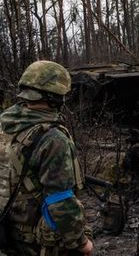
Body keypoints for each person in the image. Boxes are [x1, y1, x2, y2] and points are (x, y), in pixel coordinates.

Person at [0, 60, 93, 256]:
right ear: (55, 98)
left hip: (8, 235)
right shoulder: (53, 139)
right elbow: (60, 201)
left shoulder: (5, 125)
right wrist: (81, 242)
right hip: (39, 244)